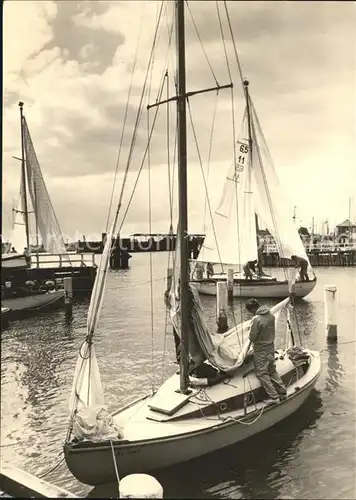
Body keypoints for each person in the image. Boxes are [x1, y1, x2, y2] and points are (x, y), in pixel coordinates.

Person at [245, 298, 287, 404]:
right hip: (270, 348)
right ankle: (282, 392)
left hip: (260, 351)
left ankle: (274, 397)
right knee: (272, 370)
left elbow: (252, 337)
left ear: (253, 309)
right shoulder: (271, 316)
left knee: (261, 373)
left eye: (250, 311)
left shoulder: (256, 319)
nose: (251, 313)